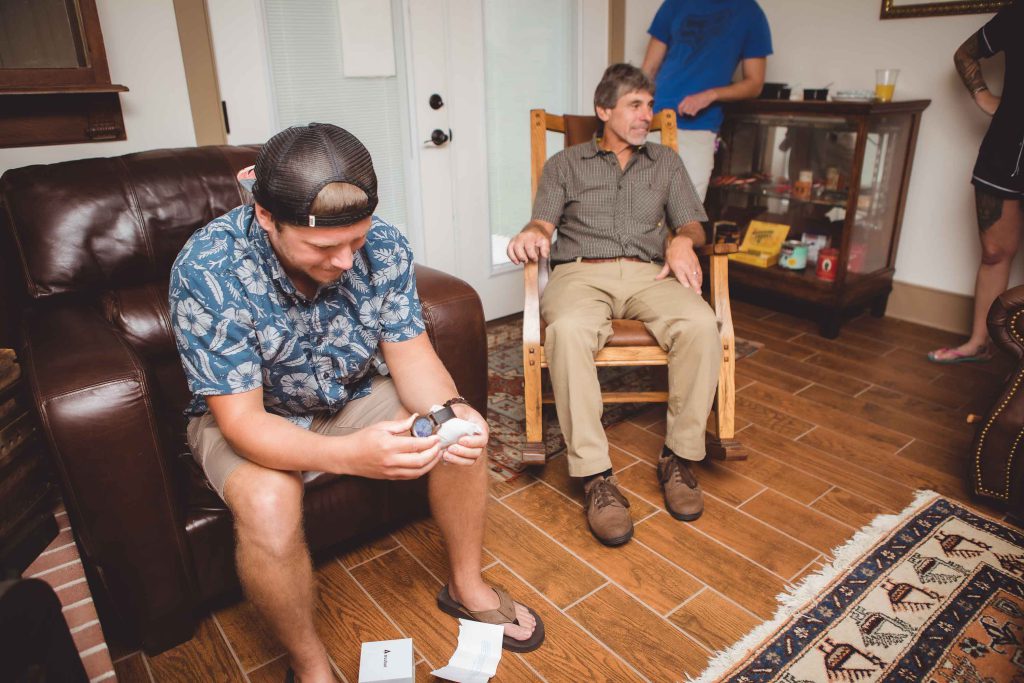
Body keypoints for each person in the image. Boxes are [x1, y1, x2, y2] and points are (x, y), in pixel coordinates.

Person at [170, 123, 543, 682]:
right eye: (324, 246)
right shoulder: (206, 270)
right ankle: (310, 662)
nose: (346, 260)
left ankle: (467, 585)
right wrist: (351, 456)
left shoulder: (385, 245)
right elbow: (242, 422)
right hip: (254, 415)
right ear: (266, 217)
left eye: (357, 241)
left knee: (456, 435)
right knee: (269, 505)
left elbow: (412, 357)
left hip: (351, 392)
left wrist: (451, 409)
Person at [506, 64, 722, 547]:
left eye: (649, 105)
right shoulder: (565, 165)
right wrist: (532, 233)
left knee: (700, 323)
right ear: (604, 110)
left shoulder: (665, 161)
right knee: (567, 331)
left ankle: (679, 457)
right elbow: (543, 223)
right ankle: (596, 477)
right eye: (635, 105)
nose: (647, 115)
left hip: (651, 272)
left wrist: (682, 242)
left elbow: (691, 223)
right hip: (581, 271)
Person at [928, 1, 1024, 364]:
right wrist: (984, 97)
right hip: (1004, 151)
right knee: (995, 253)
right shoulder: (1018, 15)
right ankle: (978, 342)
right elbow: (965, 54)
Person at [640, 0, 772, 201]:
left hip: (698, 129)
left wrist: (710, 95)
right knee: (640, 212)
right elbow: (647, 71)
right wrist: (632, 112)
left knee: (686, 217)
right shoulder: (674, 4)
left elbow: (754, 84)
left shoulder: (750, 13)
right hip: (652, 121)